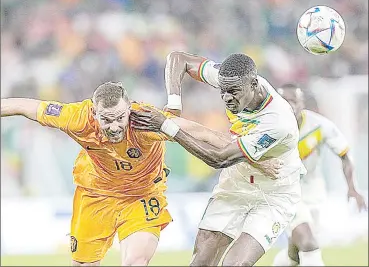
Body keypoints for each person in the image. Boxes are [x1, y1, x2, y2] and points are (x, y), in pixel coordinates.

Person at [131, 52, 306, 266]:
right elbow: (178, 59)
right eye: (222, 91)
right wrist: (174, 102)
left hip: (274, 194)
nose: (226, 97)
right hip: (236, 182)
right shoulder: (232, 78)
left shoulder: (276, 121)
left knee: (234, 264)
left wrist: (167, 125)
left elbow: (219, 159)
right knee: (201, 261)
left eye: (233, 92)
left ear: (253, 84)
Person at [1, 82, 175, 266]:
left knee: (135, 261)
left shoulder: (147, 120)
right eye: (107, 120)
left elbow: (189, 130)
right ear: (94, 113)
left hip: (141, 195)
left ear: (129, 109)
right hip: (96, 194)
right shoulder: (77, 117)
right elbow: (23, 106)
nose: (115, 127)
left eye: (120, 118)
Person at [271, 83, 367, 266]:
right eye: (284, 101)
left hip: (314, 192)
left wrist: (352, 188)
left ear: (302, 103)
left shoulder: (319, 125)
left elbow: (345, 155)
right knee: (308, 244)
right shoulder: (268, 129)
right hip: (284, 193)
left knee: (296, 252)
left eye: (294, 101)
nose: (289, 106)